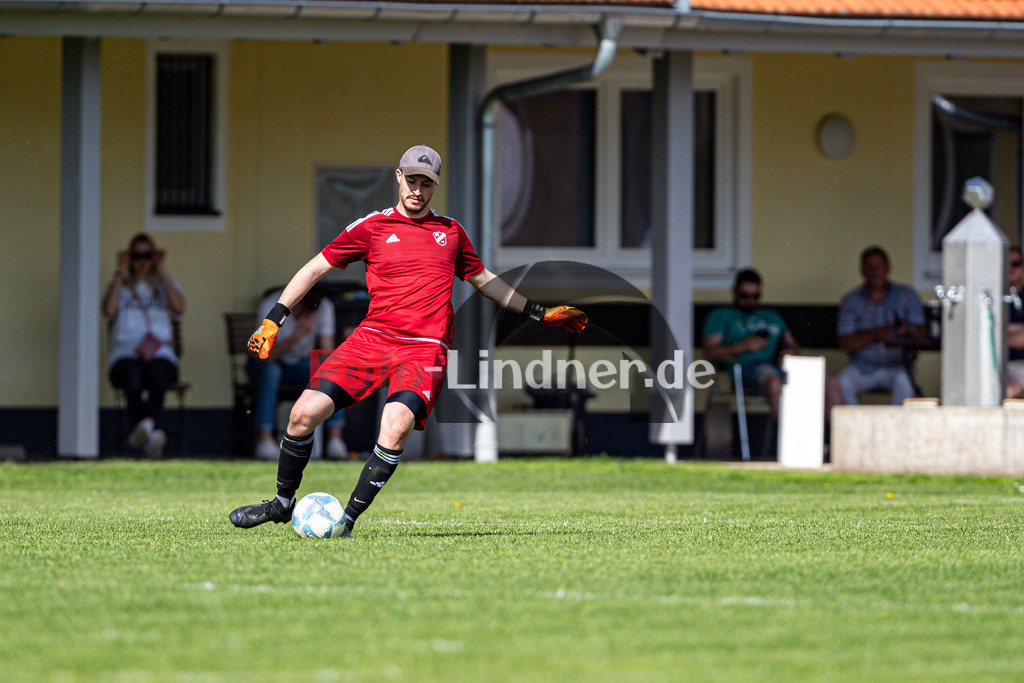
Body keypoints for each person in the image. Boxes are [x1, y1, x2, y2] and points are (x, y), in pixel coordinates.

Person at [228, 145, 588, 536]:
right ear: (398, 177)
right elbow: (315, 268)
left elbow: (483, 279)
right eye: (412, 180)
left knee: (396, 425)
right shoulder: (370, 228)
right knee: (302, 415)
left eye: (426, 184)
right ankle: (282, 503)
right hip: (372, 339)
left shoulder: (451, 232)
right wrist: (273, 319)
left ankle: (345, 522)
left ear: (435, 186)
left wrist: (538, 312)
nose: (418, 190)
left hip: (424, 348)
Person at [702, 268, 840, 422]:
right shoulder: (720, 315)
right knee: (774, 382)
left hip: (780, 365)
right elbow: (709, 352)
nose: (750, 300)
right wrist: (743, 346)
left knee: (830, 380)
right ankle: (788, 441)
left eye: (755, 296)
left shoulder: (770, 315)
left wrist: (790, 352)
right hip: (747, 368)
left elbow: (793, 345)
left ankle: (835, 440)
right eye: (744, 296)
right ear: (734, 291)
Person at [102, 233, 186, 458]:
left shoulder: (163, 284)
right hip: (125, 353)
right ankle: (151, 436)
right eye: (136, 255)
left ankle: (146, 427)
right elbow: (108, 311)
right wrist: (121, 271)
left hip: (159, 351)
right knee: (133, 378)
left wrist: (162, 270)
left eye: (147, 255)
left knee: (159, 374)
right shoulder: (121, 286)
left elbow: (178, 309)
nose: (142, 260)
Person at [247, 283, 349, 461]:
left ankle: (335, 439)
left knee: (329, 368)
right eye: (302, 310)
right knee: (272, 371)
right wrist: (297, 335)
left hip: (299, 366)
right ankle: (265, 440)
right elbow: (266, 356)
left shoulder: (323, 306)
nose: (306, 315)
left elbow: (327, 351)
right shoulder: (272, 305)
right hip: (266, 363)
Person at [837, 246, 926, 405]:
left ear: (888, 268)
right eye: (869, 267)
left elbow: (922, 332)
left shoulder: (906, 295)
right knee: (842, 382)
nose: (874, 271)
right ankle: (855, 429)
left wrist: (908, 330)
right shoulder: (851, 300)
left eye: (879, 266)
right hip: (862, 367)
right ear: (862, 270)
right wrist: (874, 335)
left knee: (905, 382)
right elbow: (845, 342)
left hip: (898, 366)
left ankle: (896, 429)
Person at [1005, 246, 1024, 399]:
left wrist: (1001, 333)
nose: (1011, 267)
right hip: (994, 363)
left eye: (1015, 263)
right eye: (1006, 263)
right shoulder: (990, 297)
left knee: (1009, 389)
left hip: (1020, 363)